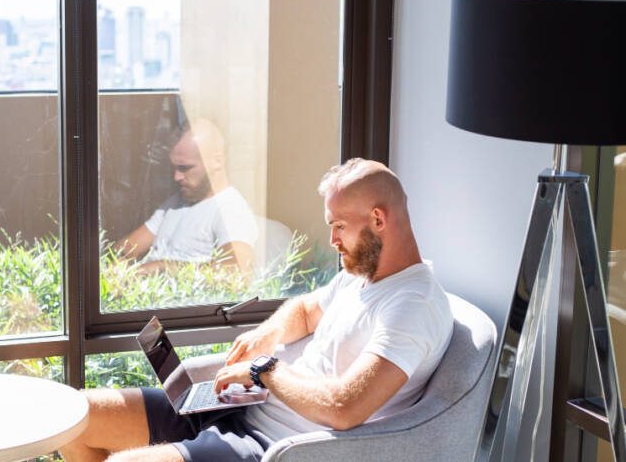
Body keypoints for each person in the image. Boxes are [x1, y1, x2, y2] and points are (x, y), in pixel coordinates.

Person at [60, 158, 454, 462]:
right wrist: (266, 335)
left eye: (338, 225)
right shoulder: (361, 276)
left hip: (270, 444)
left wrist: (263, 370)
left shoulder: (412, 306)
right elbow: (305, 311)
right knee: (74, 418)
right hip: (238, 407)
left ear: (378, 219)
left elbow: (343, 408)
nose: (332, 239)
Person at [113, 118, 257, 277]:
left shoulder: (231, 209)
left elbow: (237, 273)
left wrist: (161, 268)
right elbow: (129, 247)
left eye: (184, 168)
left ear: (217, 161)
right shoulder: (177, 202)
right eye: (174, 168)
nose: (177, 177)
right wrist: (117, 263)